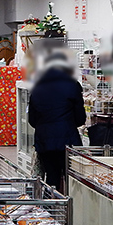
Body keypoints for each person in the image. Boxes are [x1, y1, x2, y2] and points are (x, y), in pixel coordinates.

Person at [28, 52, 86, 191]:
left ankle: (51, 208)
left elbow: (32, 119)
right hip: (67, 139)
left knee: (51, 176)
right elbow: (80, 118)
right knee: (70, 178)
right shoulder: (72, 85)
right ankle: (69, 207)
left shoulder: (37, 87)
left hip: (44, 140)